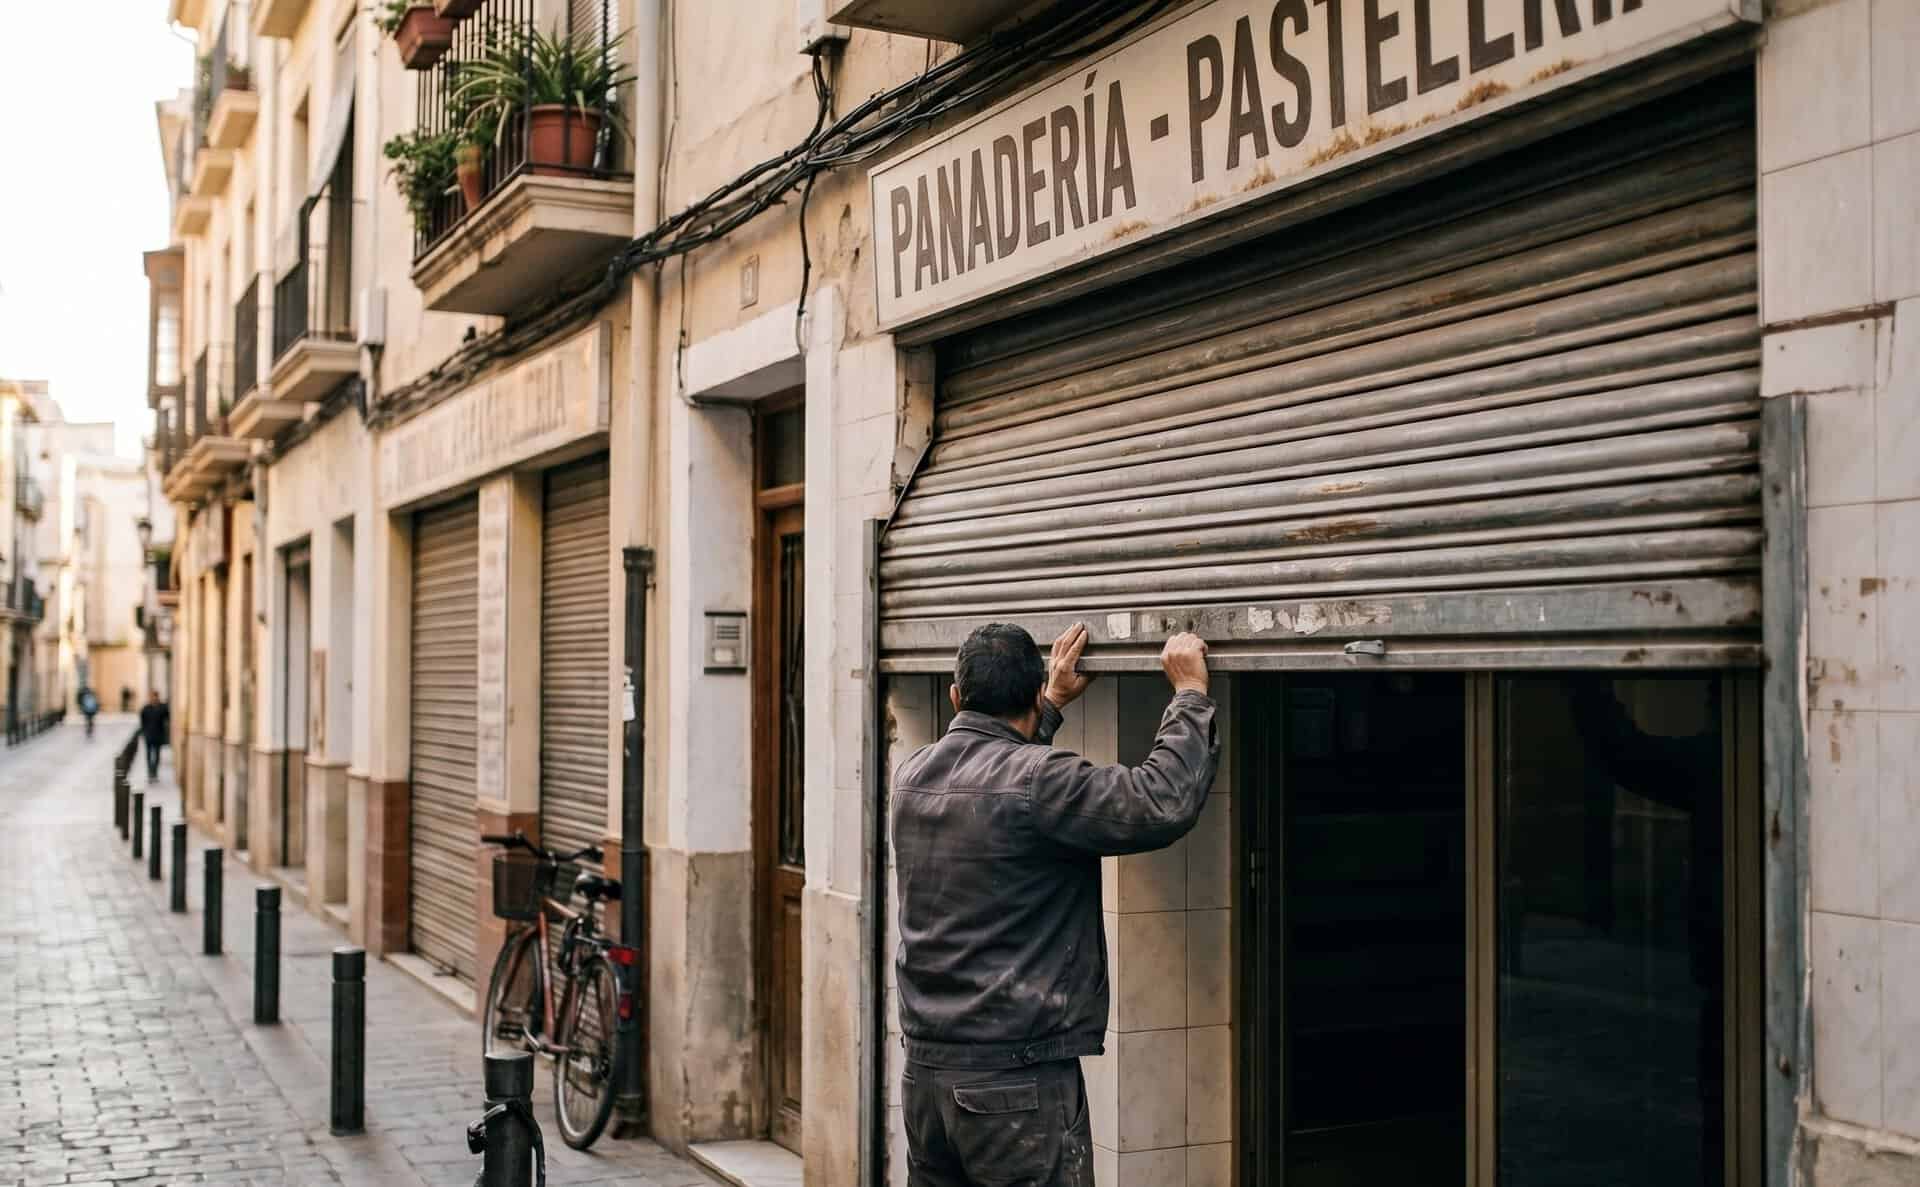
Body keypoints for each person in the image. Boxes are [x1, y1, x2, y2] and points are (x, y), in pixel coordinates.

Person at [891, 622, 1218, 1187]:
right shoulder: (1039, 781)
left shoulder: (913, 775)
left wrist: (1046, 707)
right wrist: (1189, 695)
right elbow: (1160, 801)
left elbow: (1004, 784)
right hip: (1015, 1087)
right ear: (1031, 689)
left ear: (954, 695)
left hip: (926, 1081)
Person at [139, 690, 170, 783]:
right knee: (148, 754)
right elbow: (142, 722)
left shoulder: (162, 708)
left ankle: (154, 772)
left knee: (157, 754)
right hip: (148, 735)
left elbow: (167, 718)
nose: (153, 698)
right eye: (152, 697)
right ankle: (150, 772)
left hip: (158, 735)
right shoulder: (145, 708)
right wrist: (143, 732)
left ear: (157, 697)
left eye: (155, 696)